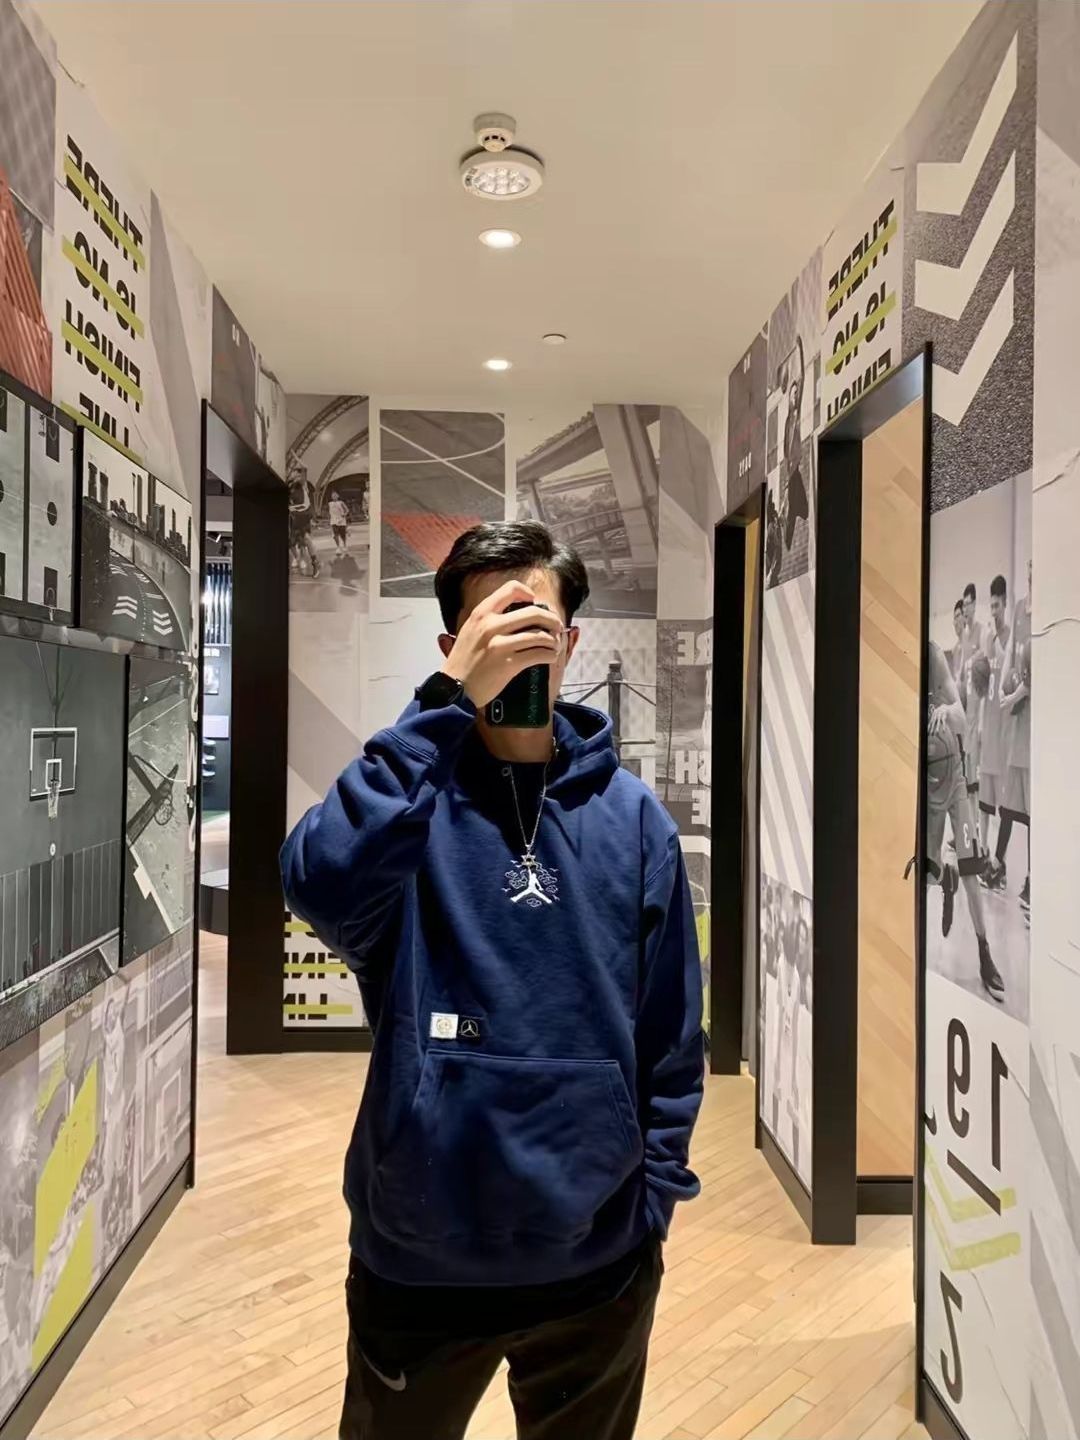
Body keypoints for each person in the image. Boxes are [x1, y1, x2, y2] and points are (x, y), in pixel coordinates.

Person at [280, 520, 704, 1440]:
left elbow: (671, 1034)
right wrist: (441, 704)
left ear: (572, 642)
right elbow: (316, 881)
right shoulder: (407, 807)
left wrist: (652, 1205)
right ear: (452, 645)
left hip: (598, 1259)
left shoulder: (634, 820)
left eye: (534, 624)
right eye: (490, 627)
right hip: (420, 1254)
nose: (515, 647)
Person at [927, 641, 1004, 1002]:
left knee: (971, 868)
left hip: (956, 778)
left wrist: (945, 709)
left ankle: (985, 953)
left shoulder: (933, 657)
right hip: (928, 784)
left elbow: (960, 716)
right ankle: (947, 878)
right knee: (928, 874)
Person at [998, 558, 1032, 912]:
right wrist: (1004, 682)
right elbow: (1010, 652)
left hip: (1033, 716)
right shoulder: (1022, 607)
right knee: (1009, 801)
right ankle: (998, 862)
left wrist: (1013, 696)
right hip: (1017, 721)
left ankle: (1033, 881)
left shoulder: (1046, 610)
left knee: (1032, 808)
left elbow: (1033, 678)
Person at [978, 575, 1012, 889]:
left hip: (1004, 737)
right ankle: (984, 854)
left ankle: (999, 864)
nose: (994, 611)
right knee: (984, 803)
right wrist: (978, 724)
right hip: (988, 731)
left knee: (1005, 807)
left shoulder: (1010, 639)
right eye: (991, 606)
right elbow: (982, 686)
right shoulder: (988, 640)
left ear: (1005, 603)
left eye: (997, 605)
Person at [288, 472, 320, 577]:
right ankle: (298, 558)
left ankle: (315, 563)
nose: (295, 476)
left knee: (306, 539)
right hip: (293, 517)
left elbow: (304, 505)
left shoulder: (302, 485)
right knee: (291, 542)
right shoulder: (289, 487)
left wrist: (296, 476)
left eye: (297, 475)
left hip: (303, 515)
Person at [328, 489, 350, 555]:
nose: (334, 496)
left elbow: (347, 510)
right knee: (335, 535)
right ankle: (338, 547)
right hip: (333, 521)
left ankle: (345, 545)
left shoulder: (341, 502)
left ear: (338, 496)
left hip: (341, 520)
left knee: (343, 535)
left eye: (335, 495)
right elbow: (329, 513)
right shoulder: (330, 503)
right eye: (332, 495)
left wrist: (344, 514)